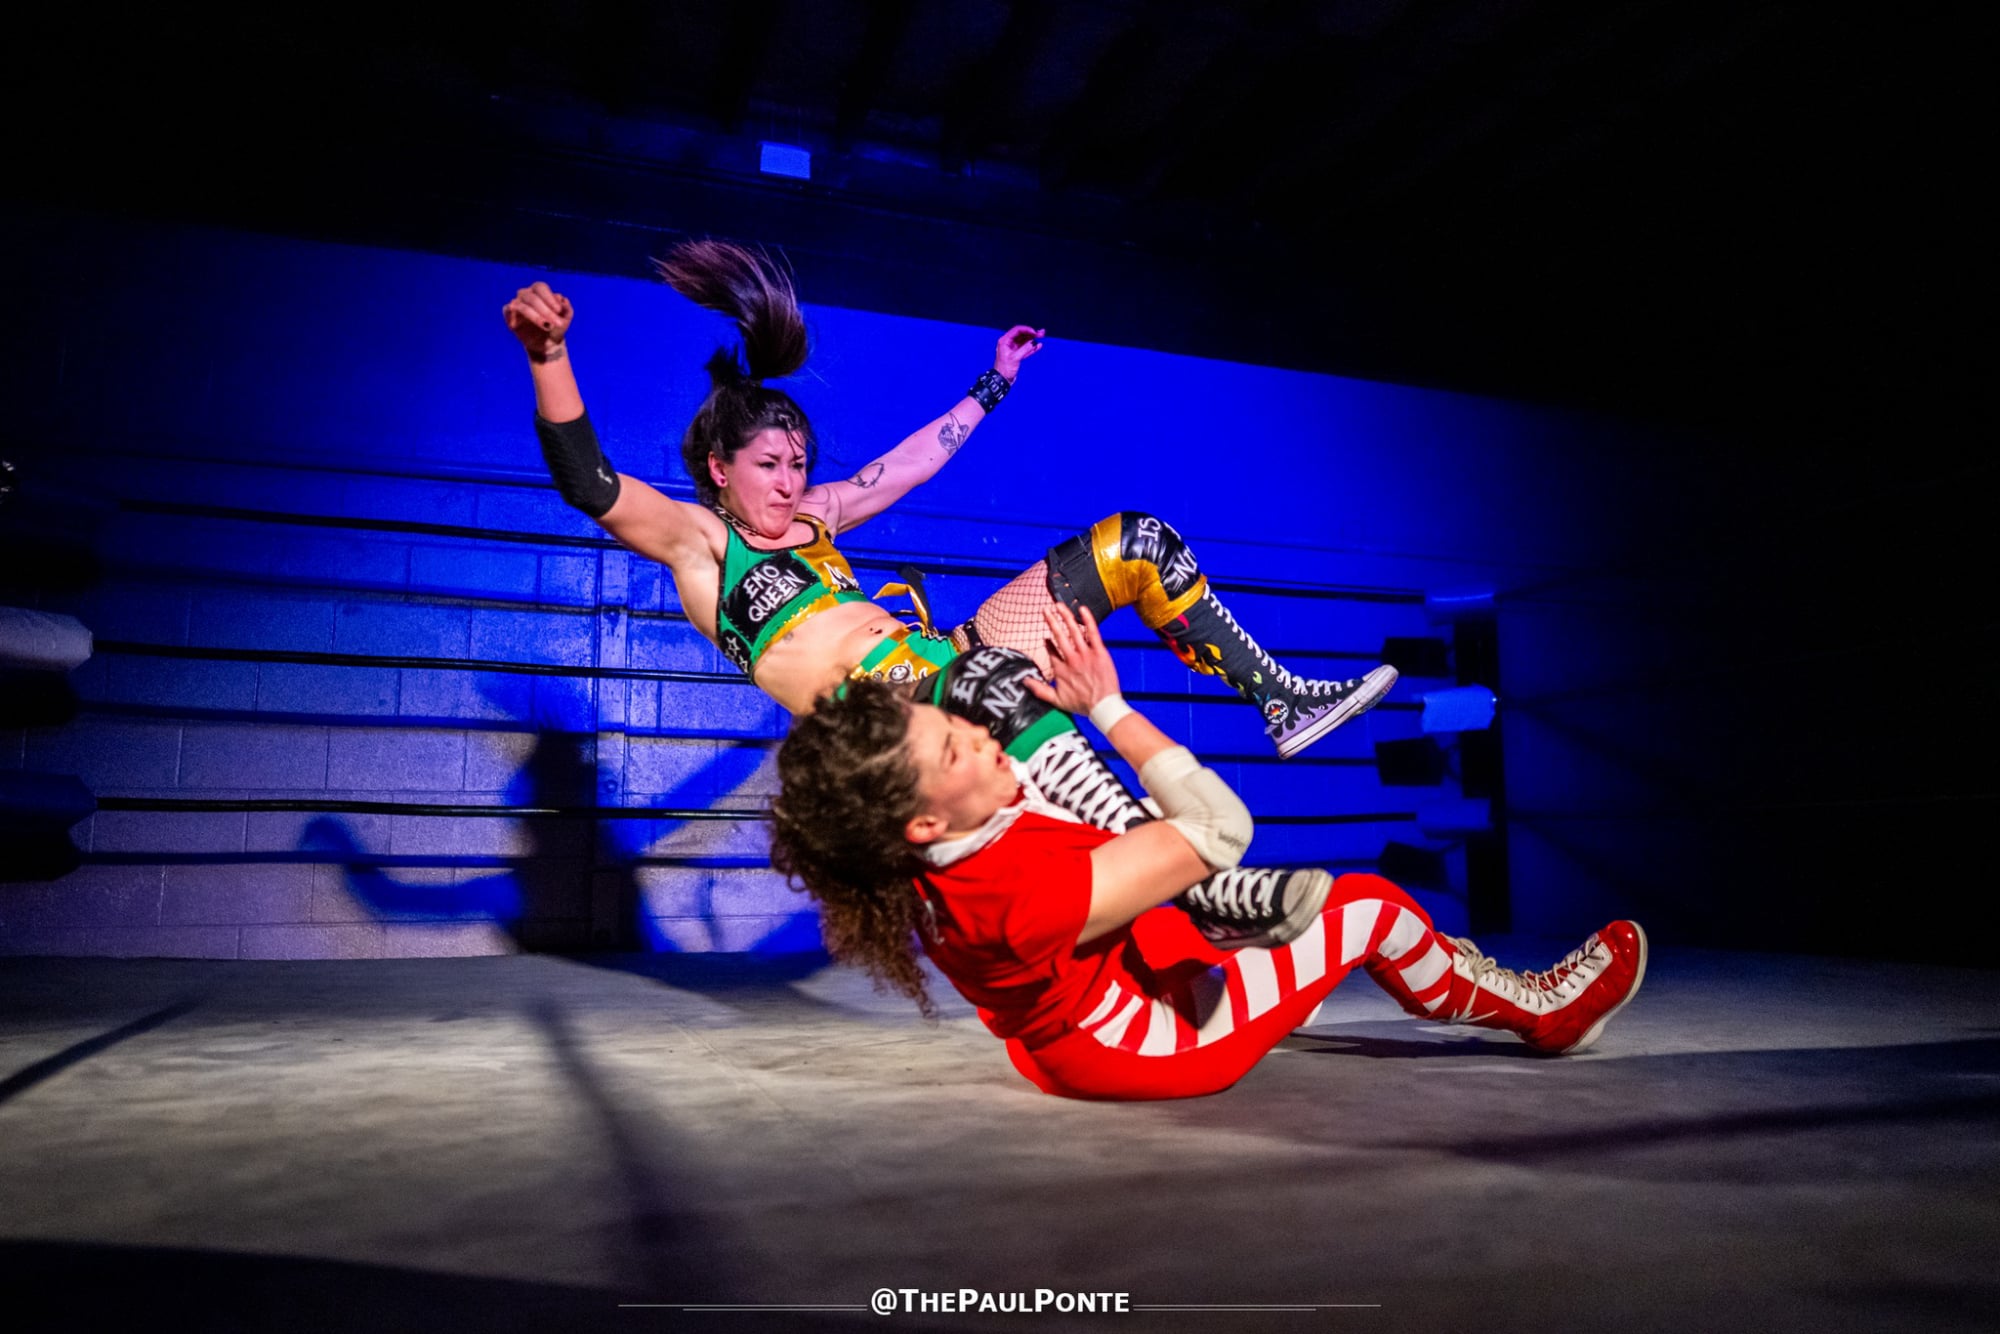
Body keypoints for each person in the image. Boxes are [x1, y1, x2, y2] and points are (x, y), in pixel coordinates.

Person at [503, 239, 1399, 945]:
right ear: (718, 470)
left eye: (799, 463)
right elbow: (590, 482)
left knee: (1137, 544)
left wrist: (996, 380)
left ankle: (1279, 700)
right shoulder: (701, 545)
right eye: (769, 465)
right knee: (989, 686)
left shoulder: (817, 516)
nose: (789, 481)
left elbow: (913, 461)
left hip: (946, 661)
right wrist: (550, 356)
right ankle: (1202, 887)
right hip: (888, 715)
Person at [769, 604, 1647, 1101]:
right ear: (922, 823)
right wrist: (1108, 708)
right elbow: (1222, 829)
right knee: (1368, 908)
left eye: (953, 725)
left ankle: (1238, 942)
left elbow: (1101, 820)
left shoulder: (933, 845)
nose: (976, 737)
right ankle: (1546, 1014)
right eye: (954, 749)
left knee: (1015, 711)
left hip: (1094, 984)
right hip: (1149, 1039)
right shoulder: (1006, 900)